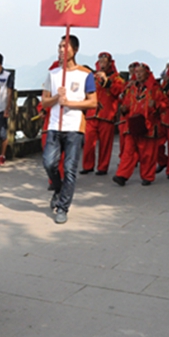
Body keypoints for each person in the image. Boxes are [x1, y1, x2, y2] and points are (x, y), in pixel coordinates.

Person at [42, 35, 97, 223]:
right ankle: (58, 188)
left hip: (74, 127)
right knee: (49, 163)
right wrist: (57, 97)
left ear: (75, 50)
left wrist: (70, 103)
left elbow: (93, 102)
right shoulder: (53, 73)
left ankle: (63, 207)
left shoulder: (85, 74)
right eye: (59, 46)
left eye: (65, 47)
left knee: (70, 169)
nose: (61, 50)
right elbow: (44, 101)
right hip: (54, 126)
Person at [114, 63, 166, 186]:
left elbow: (165, 104)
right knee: (128, 152)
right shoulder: (131, 89)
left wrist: (156, 105)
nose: (138, 74)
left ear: (147, 73)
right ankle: (122, 176)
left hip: (149, 125)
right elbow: (125, 102)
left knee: (147, 153)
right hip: (132, 125)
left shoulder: (155, 88)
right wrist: (124, 108)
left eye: (140, 72)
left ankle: (147, 176)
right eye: (136, 72)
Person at [81, 52, 126, 176]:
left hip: (107, 115)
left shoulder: (117, 78)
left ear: (110, 63)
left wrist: (107, 82)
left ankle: (102, 167)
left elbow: (119, 92)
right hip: (92, 114)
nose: (102, 64)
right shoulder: (93, 77)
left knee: (105, 143)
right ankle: (87, 165)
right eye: (100, 61)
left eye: (105, 61)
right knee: (89, 142)